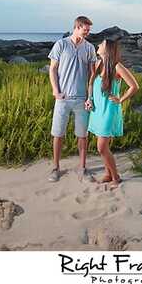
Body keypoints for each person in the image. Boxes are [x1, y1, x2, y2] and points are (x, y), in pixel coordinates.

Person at [47, 16, 98, 182]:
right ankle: (55, 168)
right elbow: (53, 69)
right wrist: (56, 91)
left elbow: (92, 74)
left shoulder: (89, 48)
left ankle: (82, 168)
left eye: (89, 30)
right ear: (78, 26)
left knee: (82, 136)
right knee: (58, 134)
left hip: (82, 99)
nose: (88, 32)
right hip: (63, 98)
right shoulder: (61, 44)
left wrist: (90, 97)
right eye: (86, 29)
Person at [85, 38, 139, 186]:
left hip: (109, 110)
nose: (98, 45)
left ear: (107, 49)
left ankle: (116, 177)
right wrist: (89, 99)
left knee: (101, 147)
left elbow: (134, 86)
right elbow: (90, 84)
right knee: (102, 147)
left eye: (101, 44)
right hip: (97, 110)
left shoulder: (117, 67)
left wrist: (121, 99)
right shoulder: (98, 64)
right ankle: (108, 174)